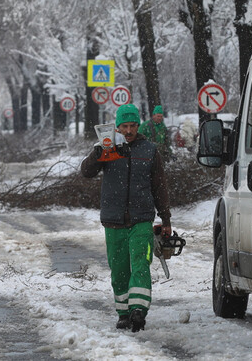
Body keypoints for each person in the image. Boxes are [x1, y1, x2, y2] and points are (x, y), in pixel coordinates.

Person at [81, 103, 171, 332]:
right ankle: (123, 313)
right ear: (117, 127)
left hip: (141, 219)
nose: (128, 131)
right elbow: (86, 172)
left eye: (132, 126)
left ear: (138, 126)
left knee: (141, 264)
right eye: (124, 126)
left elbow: (159, 187)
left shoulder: (149, 150)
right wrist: (97, 154)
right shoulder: (107, 149)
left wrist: (166, 218)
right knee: (119, 269)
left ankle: (138, 310)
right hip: (114, 220)